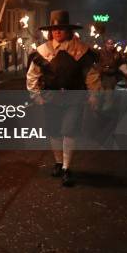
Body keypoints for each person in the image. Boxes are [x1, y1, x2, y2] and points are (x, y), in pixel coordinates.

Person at [27, 10, 101, 187]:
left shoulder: (81, 50)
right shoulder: (42, 51)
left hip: (74, 97)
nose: (57, 32)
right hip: (51, 97)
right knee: (53, 130)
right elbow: (32, 76)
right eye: (54, 29)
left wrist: (93, 95)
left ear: (68, 30)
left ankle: (67, 168)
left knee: (69, 130)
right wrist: (36, 96)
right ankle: (58, 163)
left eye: (61, 28)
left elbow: (91, 75)